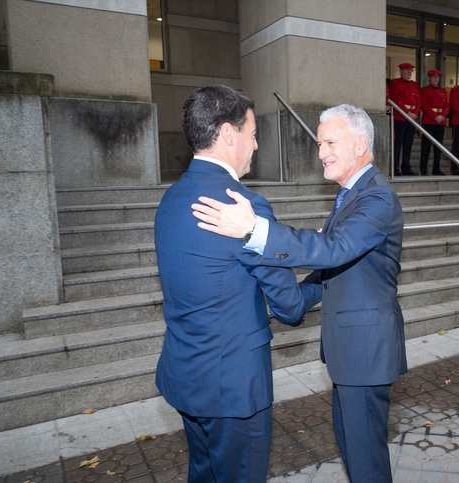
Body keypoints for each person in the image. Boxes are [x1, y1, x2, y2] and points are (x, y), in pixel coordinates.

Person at [191, 104, 408, 482]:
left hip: (365, 352)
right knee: (356, 452)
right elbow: (329, 273)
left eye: (329, 142)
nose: (321, 151)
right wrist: (289, 303)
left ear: (360, 145)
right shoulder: (349, 196)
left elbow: (335, 249)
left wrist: (255, 231)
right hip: (352, 352)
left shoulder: (377, 198)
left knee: (366, 458)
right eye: (318, 142)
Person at [153, 85, 309, 482]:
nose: (255, 146)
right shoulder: (243, 205)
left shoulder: (171, 197)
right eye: (253, 133)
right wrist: (324, 281)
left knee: (204, 473)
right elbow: (289, 308)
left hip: (186, 377)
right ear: (228, 134)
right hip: (234, 388)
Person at [389, 62, 420, 176]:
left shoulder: (414, 85)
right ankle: (395, 168)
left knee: (408, 144)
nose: (409, 73)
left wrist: (415, 113)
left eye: (410, 71)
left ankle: (406, 167)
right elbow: (396, 99)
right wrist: (407, 113)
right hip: (400, 117)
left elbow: (418, 101)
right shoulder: (396, 83)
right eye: (406, 70)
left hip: (411, 118)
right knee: (398, 143)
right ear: (401, 71)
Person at [419, 69, 449, 175]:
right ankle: (423, 169)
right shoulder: (424, 90)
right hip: (429, 121)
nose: (436, 79)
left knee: (438, 147)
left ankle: (436, 169)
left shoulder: (442, 91)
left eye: (438, 77)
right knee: (426, 146)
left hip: (440, 122)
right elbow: (424, 105)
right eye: (433, 77)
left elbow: (446, 105)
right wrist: (435, 116)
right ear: (429, 78)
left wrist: (443, 116)